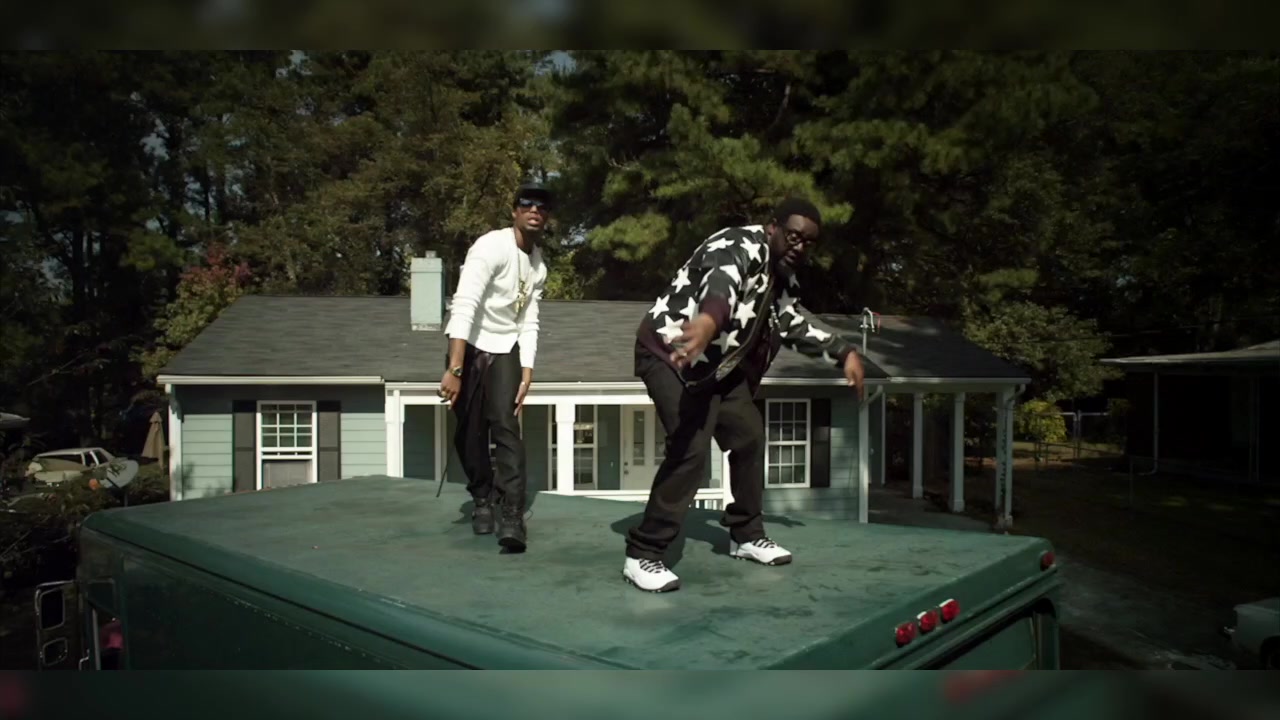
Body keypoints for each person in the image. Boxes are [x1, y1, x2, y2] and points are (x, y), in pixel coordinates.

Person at [622, 197, 867, 592]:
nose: (799, 247)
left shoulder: (783, 276)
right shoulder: (738, 244)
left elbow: (789, 321)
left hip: (717, 369)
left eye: (808, 243)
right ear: (773, 227)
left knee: (749, 436)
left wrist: (843, 351)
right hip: (669, 355)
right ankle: (643, 554)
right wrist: (708, 321)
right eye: (793, 236)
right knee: (690, 448)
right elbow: (721, 283)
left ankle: (746, 535)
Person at [439, 182, 551, 552]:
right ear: (514, 211)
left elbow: (529, 318)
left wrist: (527, 368)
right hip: (469, 346)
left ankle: (512, 515)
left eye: (542, 206)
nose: (535, 210)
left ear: (547, 217)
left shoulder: (538, 266)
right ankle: (482, 499)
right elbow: (464, 304)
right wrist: (456, 368)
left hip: (506, 349)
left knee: (507, 426)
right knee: (469, 433)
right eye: (527, 203)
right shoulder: (490, 246)